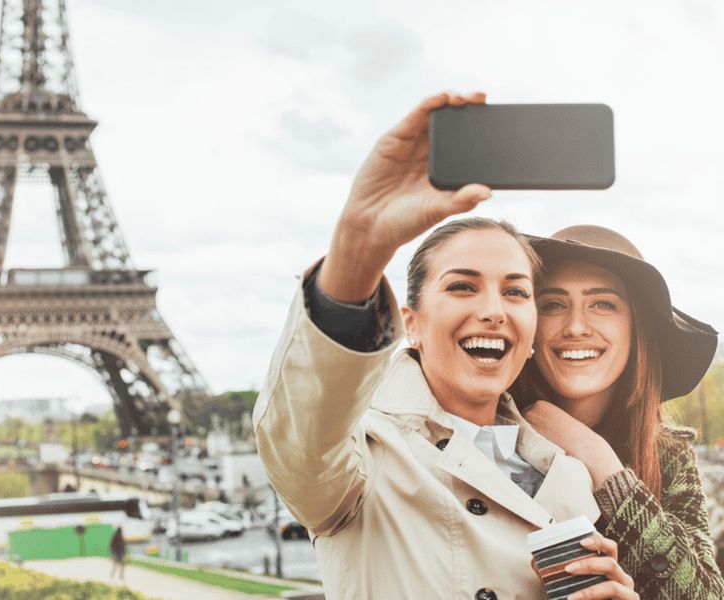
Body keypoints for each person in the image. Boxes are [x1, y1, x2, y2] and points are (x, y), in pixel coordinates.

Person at [254, 93, 637, 599]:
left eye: (517, 291)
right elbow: (301, 428)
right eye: (462, 286)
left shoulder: (568, 474)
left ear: (528, 338)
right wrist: (360, 240)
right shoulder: (359, 456)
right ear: (410, 322)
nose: (494, 309)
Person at [515, 225, 723, 598]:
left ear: (635, 329)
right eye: (553, 304)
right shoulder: (489, 430)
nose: (577, 326)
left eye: (602, 304)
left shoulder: (669, 457)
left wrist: (603, 464)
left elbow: (706, 594)